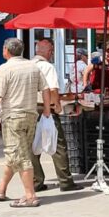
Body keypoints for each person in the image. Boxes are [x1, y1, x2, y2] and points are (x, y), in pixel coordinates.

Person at [0, 38, 50, 208]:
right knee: (17, 153)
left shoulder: (5, 69)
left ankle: (30, 195)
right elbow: (46, 89)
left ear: (6, 50)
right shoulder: (33, 66)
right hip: (31, 116)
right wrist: (47, 110)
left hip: (13, 118)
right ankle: (2, 189)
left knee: (20, 156)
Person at [31, 39, 81, 193]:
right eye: (51, 50)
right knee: (58, 145)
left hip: (31, 109)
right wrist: (57, 105)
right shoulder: (47, 67)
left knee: (33, 147)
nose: (52, 53)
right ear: (48, 51)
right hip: (46, 109)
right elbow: (53, 90)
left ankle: (36, 182)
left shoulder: (28, 65)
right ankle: (65, 182)